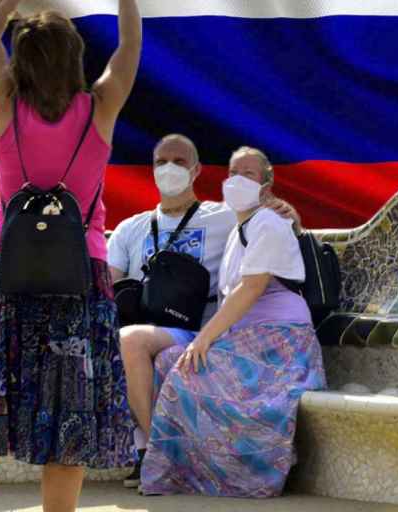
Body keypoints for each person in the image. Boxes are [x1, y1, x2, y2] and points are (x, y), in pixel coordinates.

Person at [0, 0, 140, 512]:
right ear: (75, 59)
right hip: (80, 283)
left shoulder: (7, 104)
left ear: (22, 63)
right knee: (67, 428)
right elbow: (129, 47)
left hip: (7, 278)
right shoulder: (100, 107)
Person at [107, 134, 300, 488]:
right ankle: (153, 451)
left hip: (200, 330)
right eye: (161, 161)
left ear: (196, 170)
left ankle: (154, 452)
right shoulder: (128, 229)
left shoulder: (223, 216)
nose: (170, 168)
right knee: (126, 339)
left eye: (179, 162)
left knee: (130, 342)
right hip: (148, 325)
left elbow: (274, 227)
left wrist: (287, 210)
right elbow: (105, 284)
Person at [139, 146, 326, 498]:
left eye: (249, 174)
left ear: (266, 186)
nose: (238, 180)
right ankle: (185, 472)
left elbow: (252, 288)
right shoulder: (240, 225)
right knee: (167, 361)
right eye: (233, 172)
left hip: (279, 341)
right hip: (247, 336)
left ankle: (239, 476)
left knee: (187, 368)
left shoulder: (269, 222)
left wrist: (203, 338)